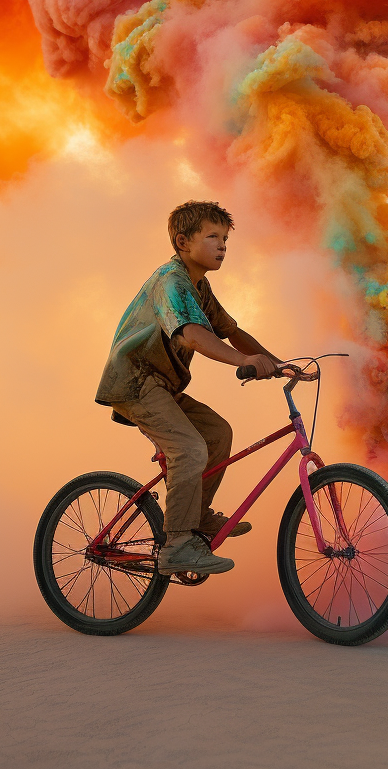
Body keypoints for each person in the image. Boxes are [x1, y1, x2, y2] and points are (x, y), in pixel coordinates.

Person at [95, 200, 283, 576]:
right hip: (135, 381)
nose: (223, 245)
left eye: (225, 238)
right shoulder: (173, 281)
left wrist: (278, 364)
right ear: (183, 241)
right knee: (189, 448)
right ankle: (179, 543)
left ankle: (195, 518)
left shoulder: (200, 286)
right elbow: (193, 334)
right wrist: (241, 362)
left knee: (217, 433)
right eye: (212, 236)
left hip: (160, 384)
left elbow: (229, 331)